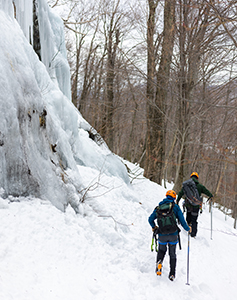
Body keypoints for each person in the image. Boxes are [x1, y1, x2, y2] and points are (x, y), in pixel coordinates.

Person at [148, 190, 191, 281]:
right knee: (172, 254)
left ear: (166, 196)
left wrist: (154, 227)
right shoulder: (175, 207)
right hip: (173, 235)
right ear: (174, 198)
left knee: (161, 251)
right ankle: (172, 274)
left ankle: (159, 265)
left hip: (162, 235)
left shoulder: (159, 208)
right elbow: (182, 221)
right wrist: (188, 229)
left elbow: (150, 219)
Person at [176, 172, 213, 238]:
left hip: (188, 205)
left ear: (190, 177)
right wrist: (211, 196)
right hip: (196, 206)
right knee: (194, 220)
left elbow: (181, 193)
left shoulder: (186, 185)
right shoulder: (200, 186)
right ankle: (193, 234)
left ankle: (188, 227)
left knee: (188, 216)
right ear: (197, 178)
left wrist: (177, 200)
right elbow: (206, 191)